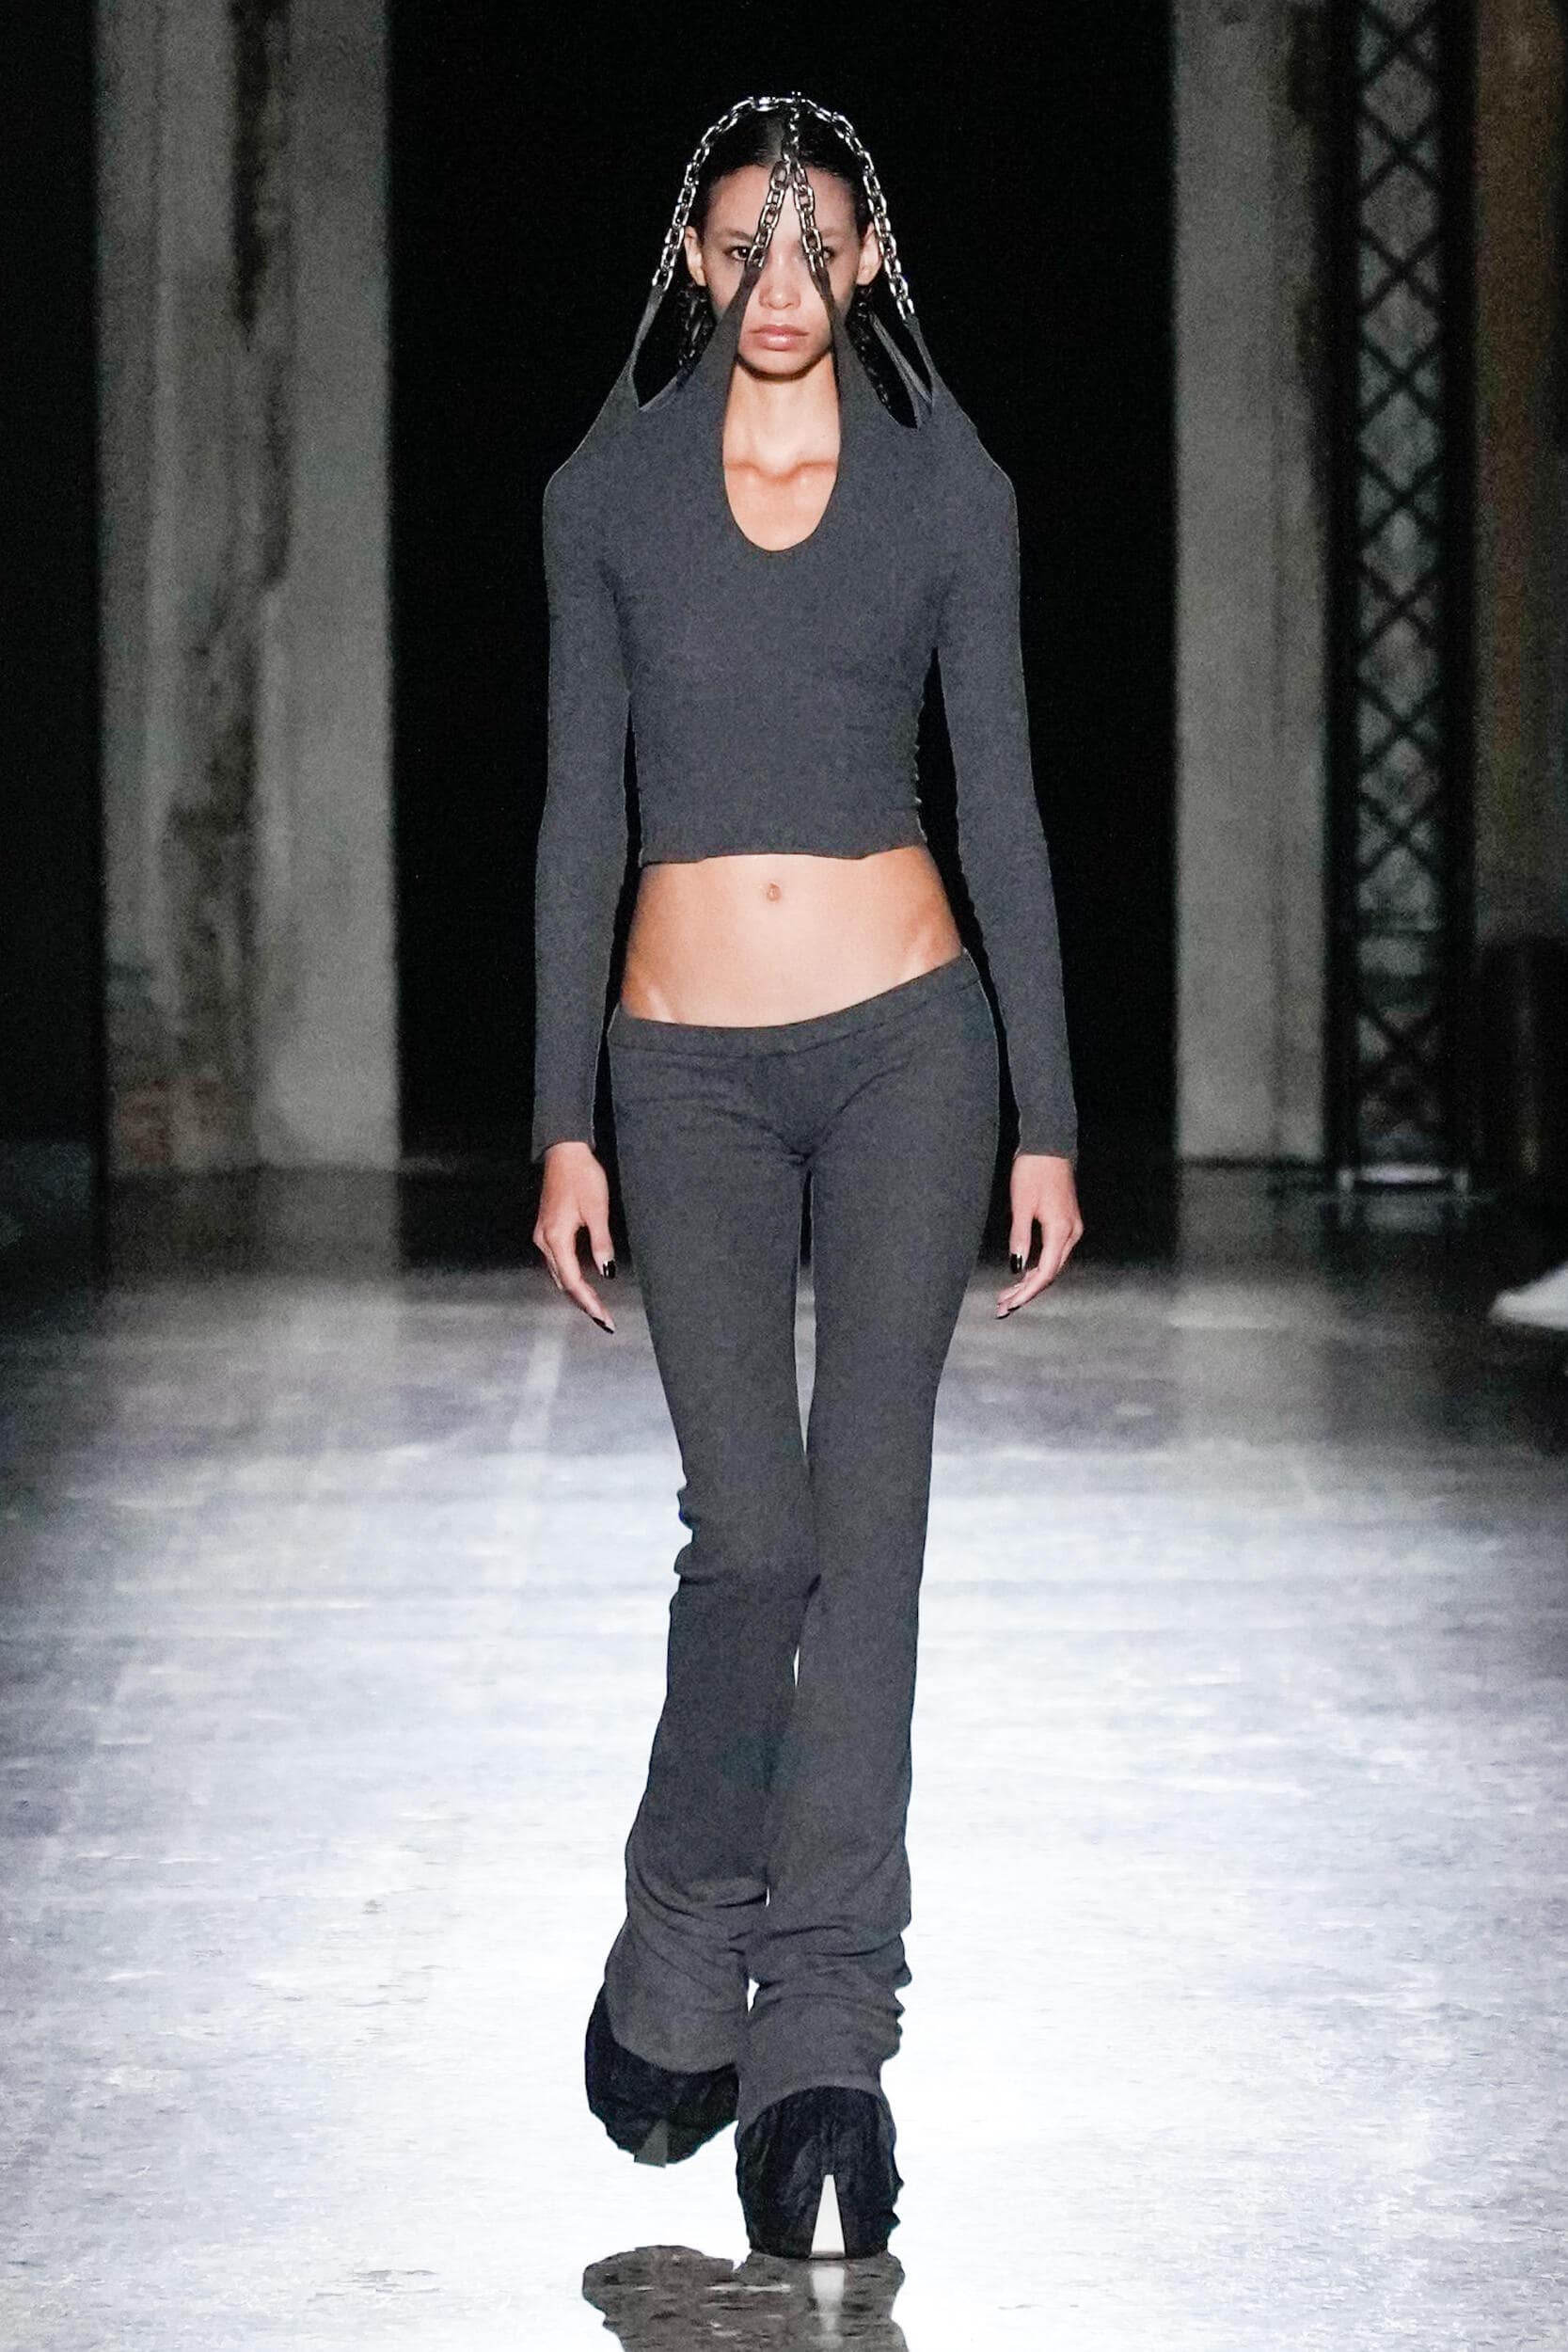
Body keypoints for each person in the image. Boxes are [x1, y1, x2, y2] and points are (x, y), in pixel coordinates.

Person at [531, 92, 1084, 2262]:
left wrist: (1049, 1111)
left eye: (816, 244)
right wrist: (561, 1117)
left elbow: (1004, 803)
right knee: (751, 1539)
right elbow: (580, 812)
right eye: (745, 242)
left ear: (866, 262)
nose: (780, 280)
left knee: (870, 1542)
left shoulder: (953, 490)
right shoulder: (608, 496)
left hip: (908, 1054)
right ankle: (682, 1942)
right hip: (679, 1076)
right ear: (693, 256)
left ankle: (825, 2049)